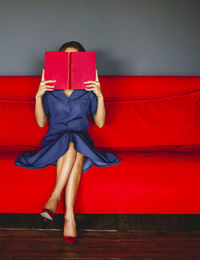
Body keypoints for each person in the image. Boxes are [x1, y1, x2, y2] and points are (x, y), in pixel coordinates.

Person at [14, 41, 120, 244]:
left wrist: (99, 95)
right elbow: (40, 122)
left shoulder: (88, 90)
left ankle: (55, 199)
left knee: (75, 142)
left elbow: (99, 123)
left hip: (82, 143)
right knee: (73, 145)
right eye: (66, 57)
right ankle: (69, 217)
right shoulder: (50, 89)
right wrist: (38, 95)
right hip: (55, 145)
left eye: (76, 57)